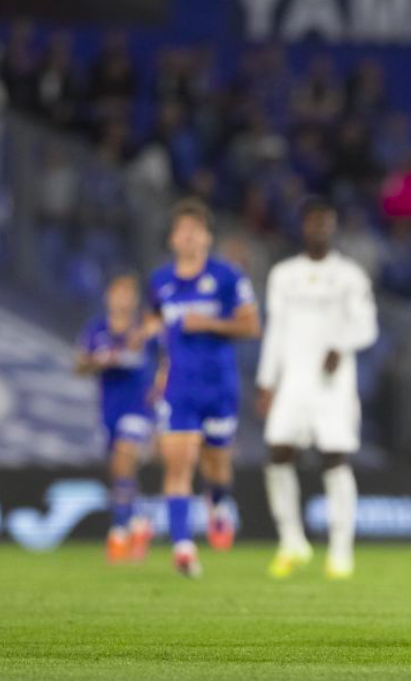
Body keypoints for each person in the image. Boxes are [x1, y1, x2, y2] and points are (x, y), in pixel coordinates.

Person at [256, 197, 378, 580]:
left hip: (332, 386)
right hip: (293, 379)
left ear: (333, 227)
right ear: (303, 226)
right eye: (313, 222)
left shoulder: (350, 276)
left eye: (326, 223)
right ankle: (292, 541)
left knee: (334, 457)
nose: (319, 229)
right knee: (278, 452)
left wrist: (340, 345)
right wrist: (266, 381)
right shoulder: (283, 275)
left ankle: (341, 551)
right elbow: (275, 331)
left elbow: (367, 327)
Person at [147, 198, 261, 577]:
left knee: (216, 463)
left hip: (219, 386)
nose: (188, 236)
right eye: (182, 230)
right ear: (172, 238)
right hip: (179, 386)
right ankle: (183, 547)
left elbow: (251, 326)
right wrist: (157, 367)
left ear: (208, 237)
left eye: (196, 230)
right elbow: (156, 325)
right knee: (179, 463)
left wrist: (209, 323)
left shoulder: (228, 277)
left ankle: (218, 499)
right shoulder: (160, 281)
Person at [75, 275, 158, 563]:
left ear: (134, 299)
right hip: (109, 409)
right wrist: (95, 361)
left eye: (127, 294)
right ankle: (139, 521)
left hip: (139, 408)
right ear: (108, 297)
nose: (122, 299)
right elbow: (79, 365)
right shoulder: (96, 329)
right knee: (120, 471)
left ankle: (119, 532)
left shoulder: (145, 329)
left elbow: (169, 356)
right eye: (117, 293)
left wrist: (161, 384)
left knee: (124, 458)